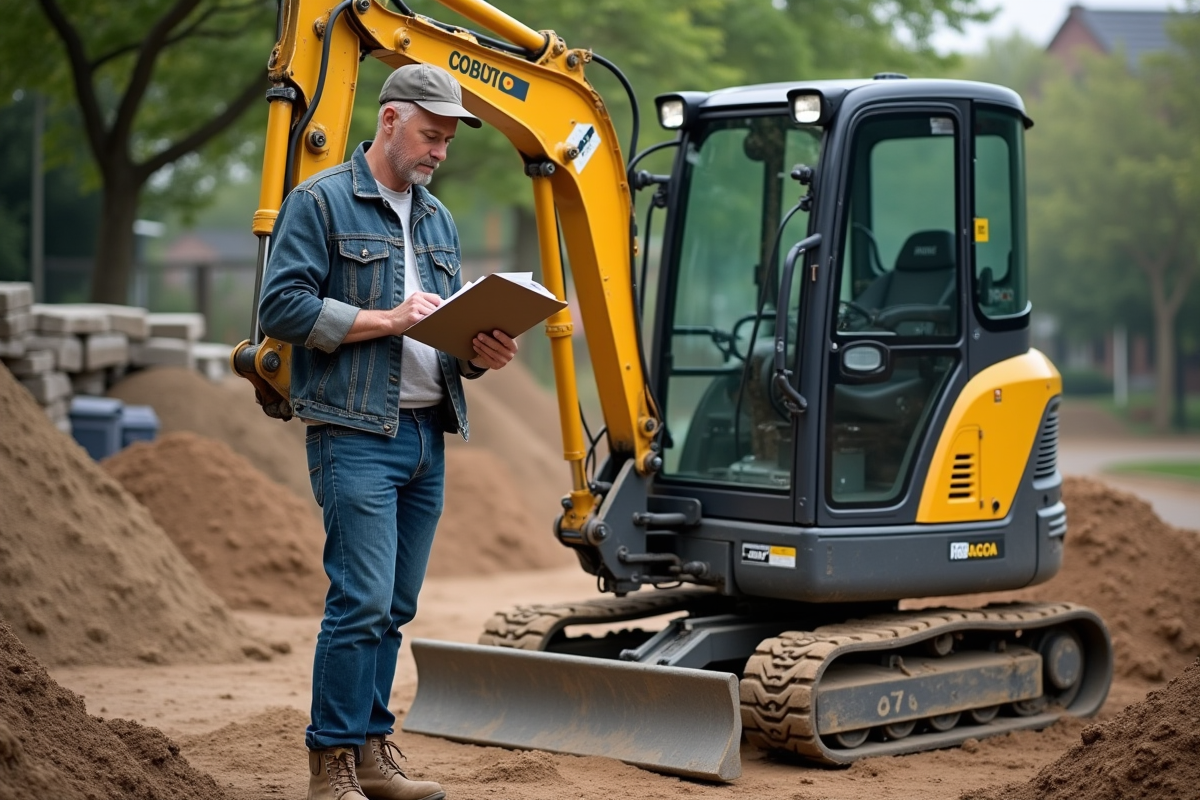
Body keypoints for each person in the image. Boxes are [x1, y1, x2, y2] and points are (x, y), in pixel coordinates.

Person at [258, 63, 518, 800]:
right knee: (362, 599)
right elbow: (280, 308)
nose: (439, 151)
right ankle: (330, 762)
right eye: (431, 135)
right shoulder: (320, 202)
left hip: (425, 434)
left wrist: (481, 352)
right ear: (391, 120)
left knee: (395, 607)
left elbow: (444, 337)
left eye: (447, 141)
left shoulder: (439, 220)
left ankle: (372, 751)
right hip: (353, 433)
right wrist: (384, 320)